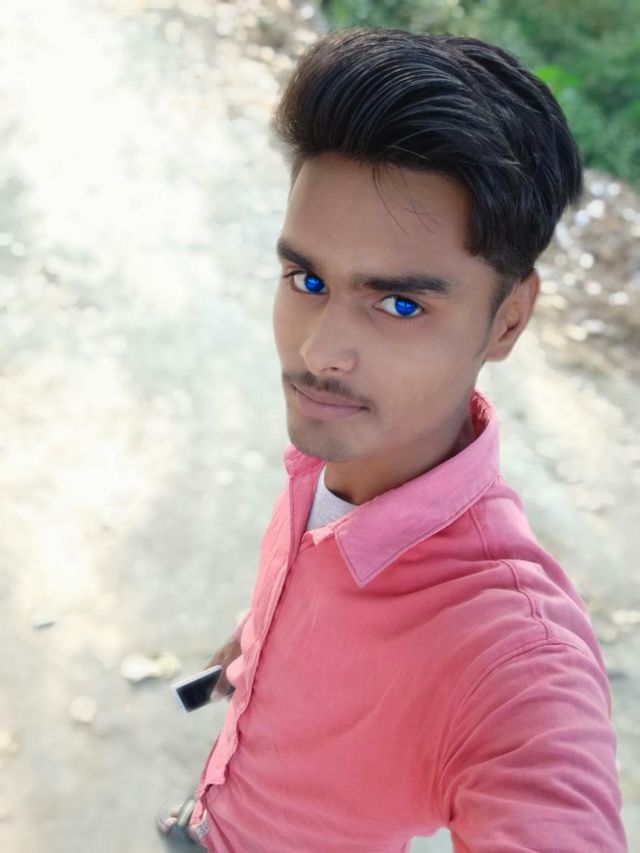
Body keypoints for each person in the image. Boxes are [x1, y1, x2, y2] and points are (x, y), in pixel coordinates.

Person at [157, 26, 627, 852]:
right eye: (307, 279)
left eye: (400, 304)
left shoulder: (514, 655)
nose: (318, 351)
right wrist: (267, 636)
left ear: (509, 319)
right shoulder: (338, 449)